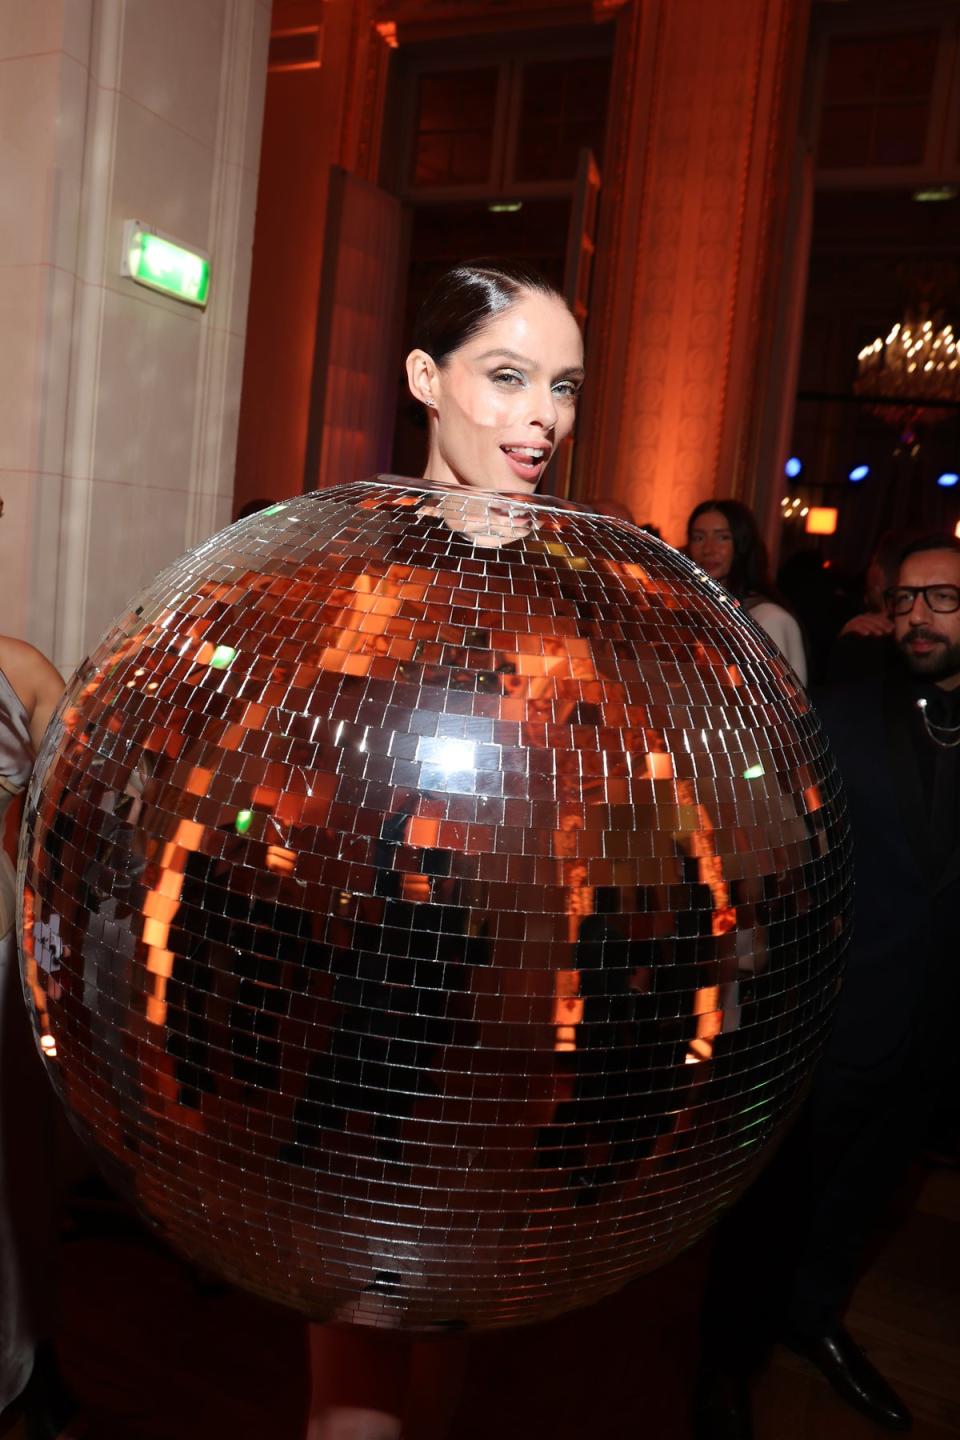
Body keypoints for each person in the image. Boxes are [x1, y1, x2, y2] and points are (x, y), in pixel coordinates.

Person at [309, 259, 584, 1440]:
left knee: (459, 1323)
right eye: (509, 377)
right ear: (427, 378)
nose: (543, 418)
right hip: (374, 994)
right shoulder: (346, 566)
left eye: (564, 387)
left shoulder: (586, 586)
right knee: (360, 1361)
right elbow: (312, 789)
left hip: (518, 1007)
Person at [694, 533, 960, 1439]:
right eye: (907, 601)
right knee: (775, 1204)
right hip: (831, 1017)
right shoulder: (839, 713)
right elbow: (773, 853)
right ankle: (724, 1368)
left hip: (933, 1029)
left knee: (864, 1197)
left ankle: (813, 1320)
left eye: (943, 601)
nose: (917, 617)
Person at [0, 627, 72, 1438]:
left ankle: (31, 1360)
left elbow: (68, 821)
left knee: (14, 1171)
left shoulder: (20, 671)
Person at [686, 499, 808, 684]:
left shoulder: (768, 619)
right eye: (699, 538)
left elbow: (776, 702)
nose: (709, 549)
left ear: (742, 544)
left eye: (722, 537)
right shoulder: (693, 612)